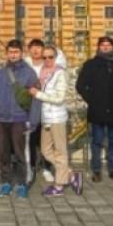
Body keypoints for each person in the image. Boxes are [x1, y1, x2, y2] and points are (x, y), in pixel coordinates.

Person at [0, 39, 40, 198]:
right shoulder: (1, 74)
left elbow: (35, 98)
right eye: (11, 52)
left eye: (16, 52)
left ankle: (22, 183)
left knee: (20, 153)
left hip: (19, 118)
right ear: (7, 53)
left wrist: (33, 120)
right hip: (1, 118)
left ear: (21, 53)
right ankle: (6, 182)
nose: (14, 55)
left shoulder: (29, 73)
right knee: (3, 152)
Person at [76, 35, 113, 183]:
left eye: (108, 45)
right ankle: (97, 170)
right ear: (98, 47)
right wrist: (92, 100)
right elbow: (80, 85)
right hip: (97, 109)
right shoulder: (91, 64)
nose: (105, 47)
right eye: (103, 45)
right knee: (97, 141)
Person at [32, 45, 82, 196]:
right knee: (46, 151)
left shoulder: (60, 73)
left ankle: (59, 186)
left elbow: (60, 98)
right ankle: (71, 175)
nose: (47, 60)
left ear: (56, 57)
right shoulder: (43, 72)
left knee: (60, 152)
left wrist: (38, 94)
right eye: (44, 57)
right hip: (46, 117)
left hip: (57, 118)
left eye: (50, 57)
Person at [25, 38, 53, 184]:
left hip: (46, 109)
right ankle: (31, 168)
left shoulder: (48, 66)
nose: (35, 50)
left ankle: (47, 168)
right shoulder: (24, 66)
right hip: (29, 109)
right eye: (33, 47)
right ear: (29, 49)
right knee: (30, 141)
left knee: (47, 141)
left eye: (38, 47)